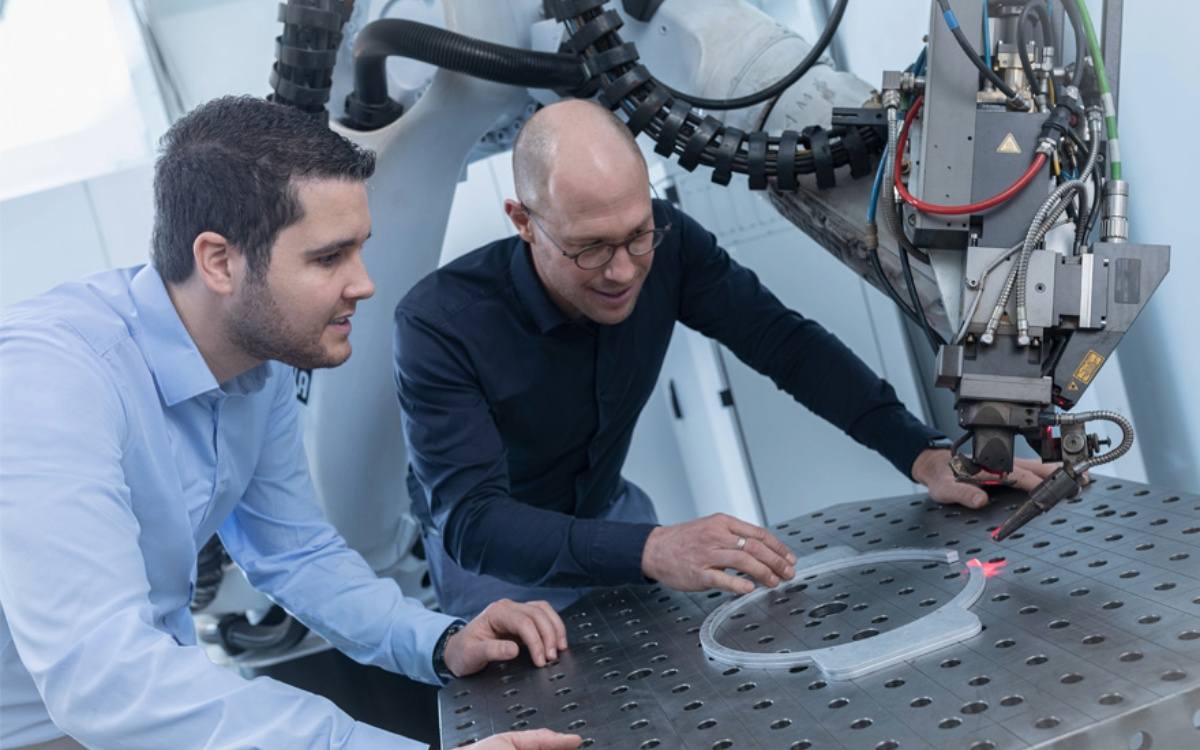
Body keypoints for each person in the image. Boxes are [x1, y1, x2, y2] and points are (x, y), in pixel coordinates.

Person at [0, 96, 580, 750]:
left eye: (359, 251)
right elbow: (99, 676)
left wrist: (441, 641)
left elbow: (295, 552)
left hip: (132, 702)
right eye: (328, 258)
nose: (363, 284)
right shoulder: (49, 381)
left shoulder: (257, 365)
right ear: (218, 261)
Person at [393, 98, 1060, 619]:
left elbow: (784, 343)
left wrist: (917, 451)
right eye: (590, 247)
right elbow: (473, 522)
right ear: (522, 220)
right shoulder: (439, 325)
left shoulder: (672, 244)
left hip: (610, 510)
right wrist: (655, 547)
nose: (624, 271)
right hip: (497, 562)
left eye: (636, 235)